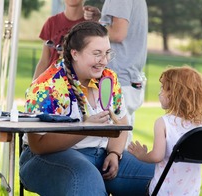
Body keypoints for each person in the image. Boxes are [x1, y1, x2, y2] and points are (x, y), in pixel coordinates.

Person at [20, 21, 154, 196]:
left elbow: (121, 122)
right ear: (75, 53)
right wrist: (84, 129)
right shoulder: (47, 86)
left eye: (107, 53)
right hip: (44, 159)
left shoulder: (108, 78)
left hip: (101, 155)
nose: (104, 61)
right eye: (97, 54)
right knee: (85, 177)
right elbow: (38, 145)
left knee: (159, 176)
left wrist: (114, 153)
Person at [128, 66, 202, 195]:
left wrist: (142, 155)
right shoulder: (201, 124)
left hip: (163, 192)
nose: (159, 92)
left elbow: (157, 156)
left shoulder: (163, 123)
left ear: (174, 94)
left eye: (163, 88)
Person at [84, 0, 149, 146]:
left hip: (118, 77)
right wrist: (100, 19)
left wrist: (96, 26)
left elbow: (118, 33)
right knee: (120, 143)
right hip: (129, 78)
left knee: (113, 146)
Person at [33, 0, 90, 79]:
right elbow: (44, 61)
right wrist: (33, 87)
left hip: (79, 83)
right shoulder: (51, 23)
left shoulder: (91, 25)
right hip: (52, 83)